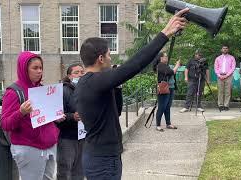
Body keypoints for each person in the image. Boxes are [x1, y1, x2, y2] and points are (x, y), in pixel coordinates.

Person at [75, 8, 189, 180]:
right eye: (108, 54)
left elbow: (117, 111)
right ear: (100, 58)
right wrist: (165, 33)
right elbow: (135, 64)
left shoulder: (91, 83)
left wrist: (117, 86)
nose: (111, 58)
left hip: (103, 156)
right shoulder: (94, 81)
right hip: (103, 162)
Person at [1, 51, 65, 180]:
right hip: (29, 148)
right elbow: (5, 124)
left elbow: (44, 116)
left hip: (49, 146)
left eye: (41, 68)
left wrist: (55, 117)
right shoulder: (13, 92)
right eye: (35, 68)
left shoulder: (41, 89)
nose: (39, 71)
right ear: (25, 69)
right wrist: (21, 113)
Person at [57, 64, 85, 180]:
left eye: (82, 72)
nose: (80, 75)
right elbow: (56, 115)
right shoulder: (62, 90)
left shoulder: (86, 90)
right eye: (76, 72)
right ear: (69, 76)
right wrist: (72, 117)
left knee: (80, 171)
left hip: (83, 136)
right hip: (67, 138)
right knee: (65, 170)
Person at [155, 52, 180, 132]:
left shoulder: (166, 65)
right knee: (162, 107)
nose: (167, 57)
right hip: (163, 89)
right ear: (161, 58)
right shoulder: (160, 65)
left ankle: (168, 123)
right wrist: (177, 65)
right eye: (166, 56)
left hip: (170, 88)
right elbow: (172, 72)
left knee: (167, 107)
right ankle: (158, 125)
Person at [214, 44, 236, 111]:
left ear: (228, 49)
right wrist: (219, 75)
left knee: (228, 91)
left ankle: (226, 105)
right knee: (220, 91)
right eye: (223, 48)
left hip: (228, 76)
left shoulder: (232, 58)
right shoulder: (218, 58)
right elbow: (216, 68)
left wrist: (227, 75)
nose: (225, 49)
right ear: (221, 49)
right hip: (220, 76)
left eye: (226, 48)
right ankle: (220, 105)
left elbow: (233, 67)